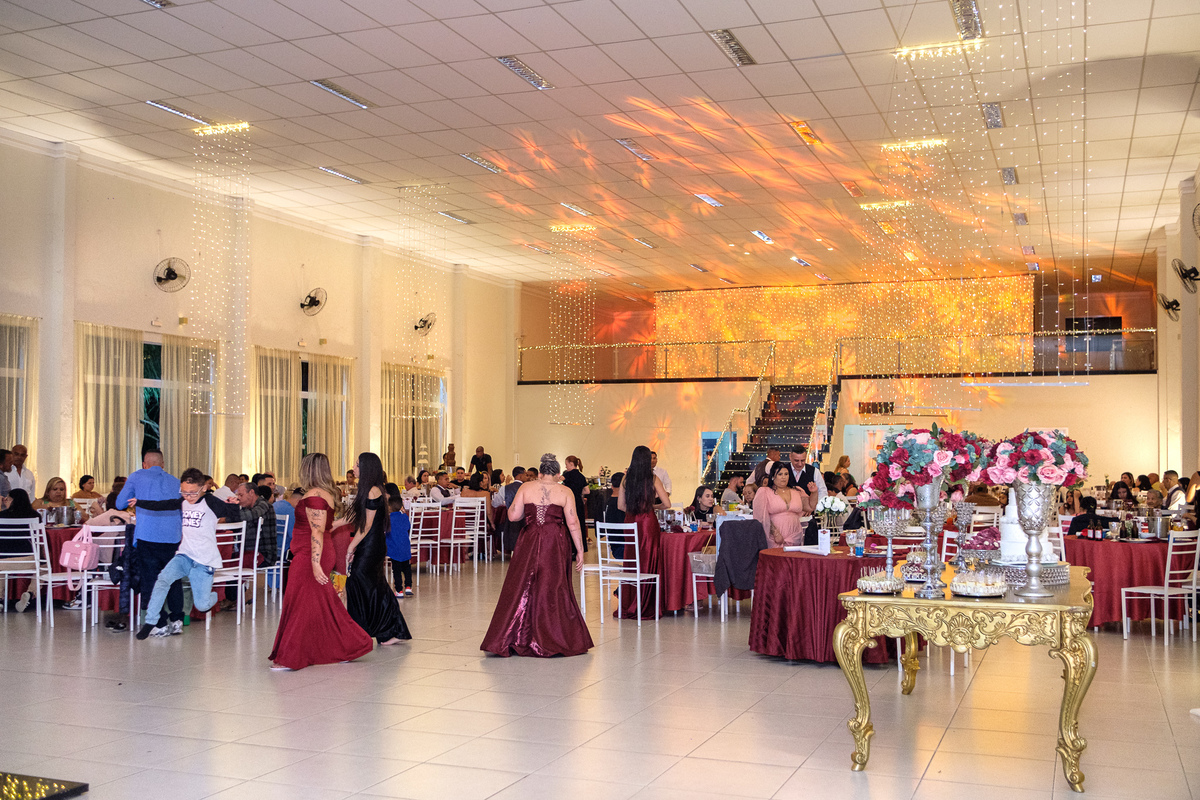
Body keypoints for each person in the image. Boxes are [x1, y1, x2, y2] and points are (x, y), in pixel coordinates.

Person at [269, 452, 374, 670]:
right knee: (321, 604)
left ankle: (292, 656)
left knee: (300, 603)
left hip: (311, 555)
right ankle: (349, 645)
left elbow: (317, 531)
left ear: (308, 470)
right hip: (312, 552)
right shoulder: (322, 493)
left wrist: (315, 564)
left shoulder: (315, 495)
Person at [481, 453, 592, 658]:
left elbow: (513, 516)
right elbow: (573, 523)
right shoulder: (565, 491)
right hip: (554, 540)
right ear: (558, 474)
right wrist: (579, 550)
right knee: (554, 584)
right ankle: (554, 636)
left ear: (540, 473)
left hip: (530, 538)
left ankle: (517, 635)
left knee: (522, 583)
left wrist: (529, 512)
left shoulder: (525, 487)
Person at [130, 468, 244, 639]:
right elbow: (162, 505)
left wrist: (234, 504)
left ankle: (212, 597)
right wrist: (139, 502)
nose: (188, 497)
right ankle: (151, 621)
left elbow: (234, 515)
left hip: (204, 560)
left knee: (202, 605)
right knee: (162, 580)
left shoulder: (211, 502)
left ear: (203, 488)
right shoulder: (183, 501)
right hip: (185, 555)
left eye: (192, 493)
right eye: (184, 492)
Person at [345, 452, 411, 646]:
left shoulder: (373, 491)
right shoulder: (368, 489)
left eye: (357, 465)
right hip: (370, 543)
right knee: (376, 586)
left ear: (366, 468)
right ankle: (390, 629)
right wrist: (333, 525)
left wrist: (351, 547)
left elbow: (366, 525)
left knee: (361, 581)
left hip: (372, 545)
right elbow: (355, 517)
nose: (354, 468)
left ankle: (362, 630)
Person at [117, 450, 186, 631]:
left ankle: (159, 623)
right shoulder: (176, 481)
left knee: (150, 580)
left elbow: (120, 504)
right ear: (163, 464)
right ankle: (177, 620)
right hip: (173, 537)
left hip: (148, 535)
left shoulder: (136, 477)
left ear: (144, 464)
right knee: (173, 578)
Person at [616, 445, 671, 619]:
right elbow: (667, 504)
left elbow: (620, 506)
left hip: (630, 521)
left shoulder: (626, 479)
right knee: (648, 559)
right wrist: (652, 506)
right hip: (647, 522)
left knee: (632, 560)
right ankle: (646, 602)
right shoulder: (653, 478)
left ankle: (630, 601)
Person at [0, 489, 40, 612]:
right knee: (45, 566)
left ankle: (0, 599)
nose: (5, 501)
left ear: (12, 500)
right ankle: (30, 593)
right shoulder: (35, 516)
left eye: (7, 499)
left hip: (3, 562)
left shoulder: (1, 516)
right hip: (29, 560)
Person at [754, 462, 810, 547]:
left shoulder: (796, 491)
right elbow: (761, 516)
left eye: (786, 474)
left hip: (795, 536)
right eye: (780, 474)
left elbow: (810, 507)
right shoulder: (764, 491)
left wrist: (814, 492)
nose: (783, 477)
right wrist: (775, 533)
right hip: (774, 538)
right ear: (773, 477)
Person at [386, 492, 413, 597]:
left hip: (393, 547)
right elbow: (408, 527)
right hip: (405, 546)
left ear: (389, 507)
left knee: (396, 570)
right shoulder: (404, 517)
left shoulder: (388, 519)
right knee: (407, 568)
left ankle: (399, 590)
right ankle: (408, 587)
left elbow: (384, 531)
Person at [562, 455, 590, 549]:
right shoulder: (581, 476)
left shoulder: (567, 475)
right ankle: (581, 546)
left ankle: (571, 547)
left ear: (571, 464)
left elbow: (559, 482)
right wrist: (578, 492)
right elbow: (587, 491)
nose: (566, 466)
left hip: (569, 502)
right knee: (580, 523)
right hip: (579, 502)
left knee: (569, 523)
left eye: (566, 464)